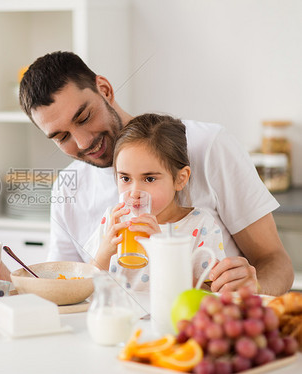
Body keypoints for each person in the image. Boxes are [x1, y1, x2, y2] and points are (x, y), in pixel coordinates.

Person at [18, 51, 293, 296]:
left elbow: (275, 261)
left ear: (104, 89)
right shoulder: (69, 187)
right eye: (61, 136)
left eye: (84, 117)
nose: (82, 142)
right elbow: (66, 285)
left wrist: (254, 289)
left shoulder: (207, 145)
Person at [85, 113, 225, 291]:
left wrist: (163, 251)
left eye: (149, 179)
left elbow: (208, 295)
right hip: (120, 317)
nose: (134, 193)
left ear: (180, 179)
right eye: (125, 178)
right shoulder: (114, 220)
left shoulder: (200, 225)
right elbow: (87, 285)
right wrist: (104, 252)